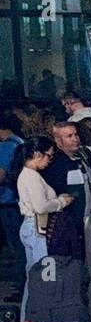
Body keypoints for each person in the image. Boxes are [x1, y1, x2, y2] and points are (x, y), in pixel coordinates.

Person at [15, 138, 73, 322]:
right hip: (38, 227)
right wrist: (61, 202)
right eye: (49, 155)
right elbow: (41, 206)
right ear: (37, 154)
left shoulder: (27, 175)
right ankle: (41, 320)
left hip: (31, 227)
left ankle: (30, 321)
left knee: (33, 277)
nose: (50, 160)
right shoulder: (31, 177)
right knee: (42, 277)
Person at [43, 121, 91, 258]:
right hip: (69, 225)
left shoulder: (84, 157)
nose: (75, 139)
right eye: (69, 136)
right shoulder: (55, 165)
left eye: (76, 134)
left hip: (87, 221)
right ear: (58, 141)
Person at [0, 112, 25, 278]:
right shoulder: (20, 142)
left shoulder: (4, 147)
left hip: (7, 200)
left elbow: (1, 174)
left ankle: (21, 282)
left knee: (16, 245)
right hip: (19, 199)